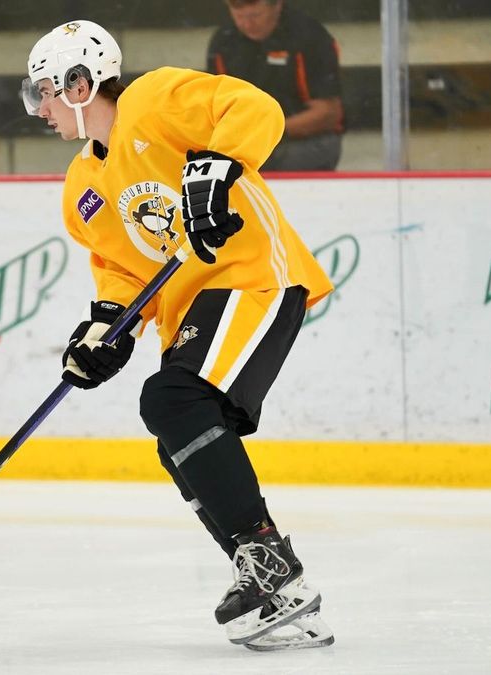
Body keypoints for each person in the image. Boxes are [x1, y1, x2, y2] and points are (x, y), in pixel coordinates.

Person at [21, 20, 336, 650]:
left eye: (44, 92)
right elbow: (122, 272)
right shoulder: (82, 187)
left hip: (254, 280)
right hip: (194, 306)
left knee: (170, 401)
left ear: (80, 84)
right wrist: (105, 329)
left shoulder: (155, 99)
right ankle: (277, 589)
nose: (39, 110)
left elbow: (253, 108)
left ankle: (271, 563)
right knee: (179, 434)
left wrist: (218, 166)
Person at [207, 0, 344, 171]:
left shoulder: (310, 37)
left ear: (277, 5)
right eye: (239, 16)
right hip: (247, 140)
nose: (248, 24)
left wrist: (270, 131)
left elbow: (328, 114)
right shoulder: (224, 41)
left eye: (255, 15)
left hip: (304, 141)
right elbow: (215, 108)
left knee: (256, 161)